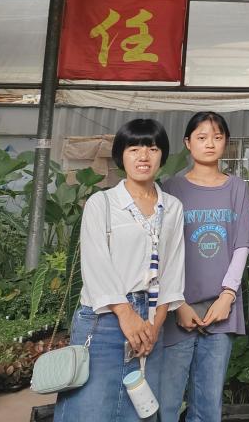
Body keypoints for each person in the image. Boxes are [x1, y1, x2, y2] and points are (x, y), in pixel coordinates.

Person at [54, 119, 185, 422]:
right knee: (90, 409)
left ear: (162, 156)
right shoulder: (101, 203)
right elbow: (95, 264)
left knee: (139, 410)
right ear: (121, 155)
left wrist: (155, 325)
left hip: (152, 318)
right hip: (104, 319)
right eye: (134, 148)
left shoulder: (173, 207)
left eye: (152, 149)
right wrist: (126, 315)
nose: (143, 156)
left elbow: (174, 268)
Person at [160, 112, 249, 422]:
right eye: (201, 137)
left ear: (226, 143)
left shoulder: (237, 187)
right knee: (166, 401)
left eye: (217, 137)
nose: (210, 144)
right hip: (177, 308)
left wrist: (227, 295)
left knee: (208, 404)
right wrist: (177, 303)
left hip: (221, 308)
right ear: (188, 143)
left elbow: (242, 244)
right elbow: (163, 250)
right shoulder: (170, 188)